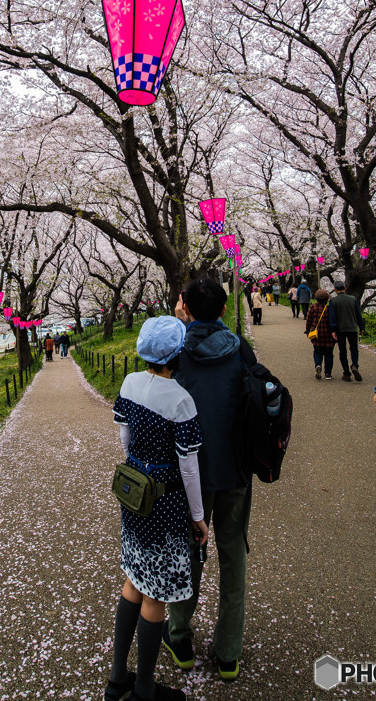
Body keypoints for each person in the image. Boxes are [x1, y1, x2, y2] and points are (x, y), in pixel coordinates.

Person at [107, 317, 208, 701]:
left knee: (134, 579)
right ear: (176, 354)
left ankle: (118, 681)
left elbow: (125, 438)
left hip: (133, 493)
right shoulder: (180, 399)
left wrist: (140, 468)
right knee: (156, 595)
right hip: (165, 503)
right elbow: (188, 466)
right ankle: (145, 692)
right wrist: (197, 517)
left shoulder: (130, 383)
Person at [164, 278, 256, 683]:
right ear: (223, 310)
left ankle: (180, 638)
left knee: (188, 555)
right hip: (235, 469)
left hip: (190, 477)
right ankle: (228, 653)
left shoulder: (175, 353)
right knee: (233, 556)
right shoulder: (241, 350)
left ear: (184, 306)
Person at [328, 280, 365, 381]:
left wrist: (333, 330)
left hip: (340, 329)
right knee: (354, 349)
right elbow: (358, 315)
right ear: (345, 288)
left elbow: (332, 317)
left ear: (335, 289)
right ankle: (354, 365)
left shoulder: (333, 301)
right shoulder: (353, 299)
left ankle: (346, 373)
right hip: (353, 328)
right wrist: (361, 327)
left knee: (342, 351)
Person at [305, 288, 334, 379]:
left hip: (316, 334)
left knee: (317, 351)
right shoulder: (330, 308)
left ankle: (318, 365)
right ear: (327, 299)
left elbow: (308, 320)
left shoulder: (313, 307)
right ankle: (328, 373)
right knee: (329, 354)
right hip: (328, 334)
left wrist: (307, 330)